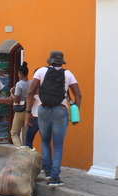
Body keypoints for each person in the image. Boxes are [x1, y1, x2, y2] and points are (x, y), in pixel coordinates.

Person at [25, 51, 82, 187]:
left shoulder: (40, 71)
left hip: (43, 109)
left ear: (49, 61)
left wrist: (28, 112)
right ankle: (55, 178)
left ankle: (48, 172)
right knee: (58, 144)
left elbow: (31, 92)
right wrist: (76, 113)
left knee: (45, 140)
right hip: (60, 110)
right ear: (62, 62)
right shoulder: (68, 74)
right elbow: (78, 95)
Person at [10, 62, 30, 147]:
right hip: (29, 109)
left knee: (14, 132)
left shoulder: (19, 84)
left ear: (20, 73)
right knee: (26, 134)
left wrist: (11, 93)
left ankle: (20, 150)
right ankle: (26, 150)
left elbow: (16, 99)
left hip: (20, 110)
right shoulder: (31, 83)